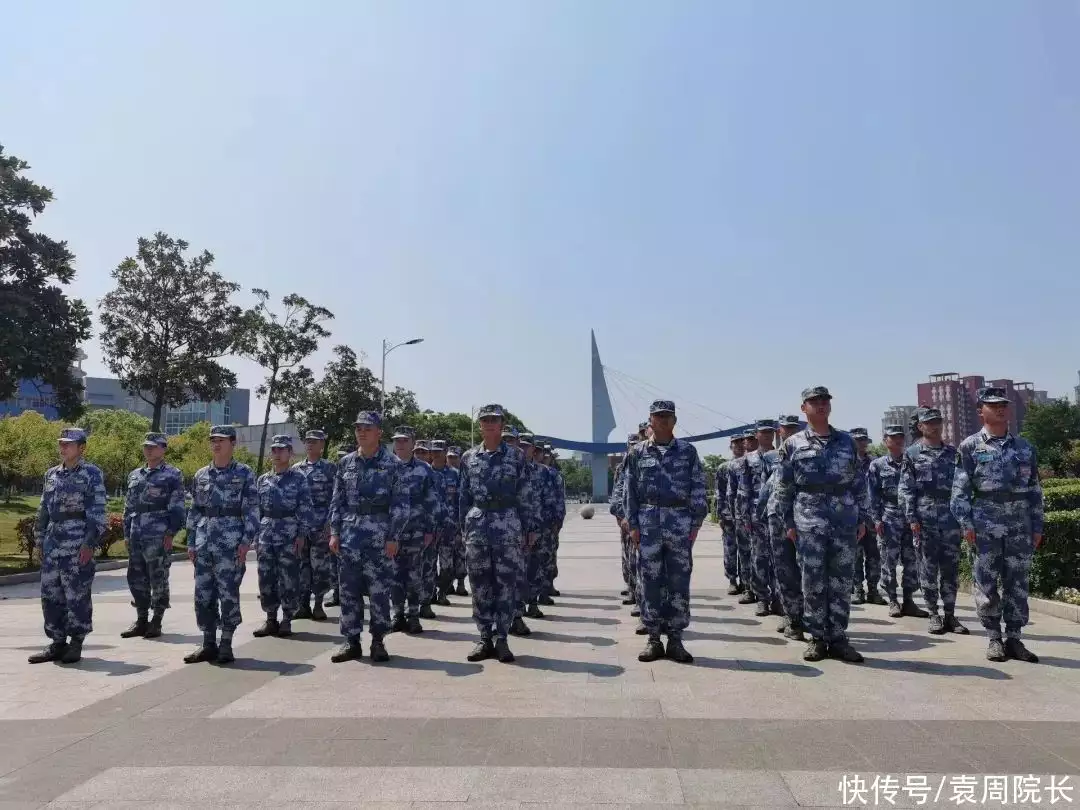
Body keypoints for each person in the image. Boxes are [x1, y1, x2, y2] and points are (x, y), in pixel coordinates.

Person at [775, 387, 869, 664]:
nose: (820, 406)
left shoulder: (846, 442)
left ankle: (838, 638)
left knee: (841, 581)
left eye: (824, 401)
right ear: (804, 408)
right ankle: (817, 638)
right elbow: (784, 486)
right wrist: (788, 521)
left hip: (844, 519)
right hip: (809, 518)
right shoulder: (793, 444)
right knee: (813, 580)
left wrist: (863, 517)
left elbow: (858, 482)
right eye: (814, 402)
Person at [952, 387, 1043, 663]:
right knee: (987, 582)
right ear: (981, 411)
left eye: (1004, 404)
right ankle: (994, 638)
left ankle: (1015, 638)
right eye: (993, 405)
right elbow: (960, 490)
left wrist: (1037, 525)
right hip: (985, 525)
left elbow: (1035, 489)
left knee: (1017, 582)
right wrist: (966, 523)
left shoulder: (1025, 448)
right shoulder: (970, 446)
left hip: (1019, 525)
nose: (1000, 409)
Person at [623, 400, 707, 664]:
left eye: (667, 417)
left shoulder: (687, 452)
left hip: (679, 522)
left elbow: (698, 488)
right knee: (649, 581)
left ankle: (676, 639)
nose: (662, 421)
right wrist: (633, 525)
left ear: (674, 420)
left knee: (678, 581)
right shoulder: (637, 453)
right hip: (648, 523)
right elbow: (630, 491)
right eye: (658, 417)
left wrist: (695, 524)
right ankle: (653, 638)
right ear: (650, 420)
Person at [458, 404, 538, 663]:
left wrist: (530, 528)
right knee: (479, 584)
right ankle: (484, 637)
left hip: (508, 525)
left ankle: (502, 638)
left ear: (502, 424)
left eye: (494, 419)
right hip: (478, 526)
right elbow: (463, 497)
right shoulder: (469, 458)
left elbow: (526, 494)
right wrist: (464, 529)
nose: (489, 424)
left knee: (506, 584)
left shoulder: (516, 457)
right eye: (485, 420)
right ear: (479, 425)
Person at [328, 411, 409, 663]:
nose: (361, 432)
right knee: (348, 590)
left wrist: (394, 536)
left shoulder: (393, 464)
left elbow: (401, 504)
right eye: (358, 427)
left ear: (378, 433)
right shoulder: (346, 463)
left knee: (378, 591)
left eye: (367, 427)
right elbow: (337, 501)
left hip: (379, 537)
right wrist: (334, 532)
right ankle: (351, 641)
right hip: (350, 536)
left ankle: (378, 641)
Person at [28, 428, 107, 665]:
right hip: (54, 543)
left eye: (69, 444)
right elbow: (43, 510)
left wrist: (88, 543)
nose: (63, 448)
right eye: (61, 443)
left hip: (77, 544)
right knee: (50, 595)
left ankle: (76, 643)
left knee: (77, 595)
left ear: (81, 448)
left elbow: (97, 512)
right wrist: (40, 539)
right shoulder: (51, 474)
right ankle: (57, 642)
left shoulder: (92, 474)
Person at [184, 425, 260, 665]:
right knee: (203, 595)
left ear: (233, 443)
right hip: (204, 543)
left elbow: (252, 510)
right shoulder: (201, 475)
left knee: (228, 594)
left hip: (231, 544)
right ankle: (208, 642)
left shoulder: (244, 474)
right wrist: (191, 542)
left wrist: (246, 541)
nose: (216, 444)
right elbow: (195, 510)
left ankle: (226, 642)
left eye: (222, 440)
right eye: (213, 440)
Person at [897, 410, 965, 634]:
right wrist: (911, 517)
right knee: (927, 568)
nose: (935, 426)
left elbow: (962, 488)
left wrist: (964, 518)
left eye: (938, 422)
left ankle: (950, 615)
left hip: (951, 519)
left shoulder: (953, 453)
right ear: (920, 427)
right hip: (925, 518)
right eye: (929, 423)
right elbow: (906, 488)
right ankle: (933, 614)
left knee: (950, 568)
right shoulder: (913, 454)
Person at [120, 432, 185, 639]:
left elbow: (177, 507)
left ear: (163, 449)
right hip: (136, 532)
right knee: (136, 577)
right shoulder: (135, 475)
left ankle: (156, 620)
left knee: (158, 577)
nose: (148, 449)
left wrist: (171, 532)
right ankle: (141, 619)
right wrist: (126, 532)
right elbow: (128, 505)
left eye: (153, 446)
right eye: (146, 446)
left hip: (158, 535)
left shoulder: (172, 474)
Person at [253, 435, 315, 639]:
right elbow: (256, 510)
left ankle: (287, 618)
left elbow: (306, 508)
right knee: (266, 578)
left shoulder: (299, 479)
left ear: (290, 453)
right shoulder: (263, 479)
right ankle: (271, 618)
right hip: (266, 534)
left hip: (289, 533)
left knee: (289, 578)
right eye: (274, 450)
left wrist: (302, 534)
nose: (277, 453)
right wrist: (256, 535)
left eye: (281, 450)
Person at [870, 424, 924, 621]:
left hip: (911, 518)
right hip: (889, 517)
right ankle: (893, 599)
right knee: (888, 560)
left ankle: (909, 600)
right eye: (893, 437)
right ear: (886, 441)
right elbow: (873, 495)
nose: (898, 440)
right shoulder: (877, 465)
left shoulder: (912, 461)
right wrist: (876, 519)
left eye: (901, 437)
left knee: (912, 560)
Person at [390, 426, 439, 635]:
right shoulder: (385, 466)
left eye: (404, 440)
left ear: (412, 443)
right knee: (393, 575)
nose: (400, 444)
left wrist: (430, 529)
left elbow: (432, 501)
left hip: (416, 530)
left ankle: (413, 616)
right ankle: (397, 615)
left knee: (413, 575)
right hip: (391, 533)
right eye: (397, 440)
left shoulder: (424, 469)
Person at [765, 415, 805, 639]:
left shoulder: (808, 449)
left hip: (805, 515)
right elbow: (764, 489)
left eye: (793, 428)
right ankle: (791, 617)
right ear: (779, 431)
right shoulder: (769, 456)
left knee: (808, 570)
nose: (789, 432)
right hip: (777, 516)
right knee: (785, 569)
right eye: (785, 428)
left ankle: (807, 615)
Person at [293, 429, 336, 621]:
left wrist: (330, 524)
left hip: (321, 525)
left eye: (315, 441)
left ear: (322, 446)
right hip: (302, 525)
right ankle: (303, 605)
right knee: (302, 566)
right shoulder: (296, 469)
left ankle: (318, 604)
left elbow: (336, 499)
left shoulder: (330, 469)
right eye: (308, 441)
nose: (310, 444)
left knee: (320, 567)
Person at [740, 419, 780, 618]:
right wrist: (745, 516)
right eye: (763, 432)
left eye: (770, 432)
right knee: (759, 557)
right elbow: (743, 490)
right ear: (756, 435)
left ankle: (778, 599)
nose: (767, 435)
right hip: (758, 515)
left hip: (777, 513)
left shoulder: (780, 455)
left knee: (780, 559)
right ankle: (762, 598)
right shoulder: (749, 460)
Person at [849, 427, 884, 606]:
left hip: (872, 517)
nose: (860, 443)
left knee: (874, 555)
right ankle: (857, 590)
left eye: (863, 440)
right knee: (855, 556)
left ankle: (873, 590)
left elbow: (880, 489)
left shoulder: (874, 463)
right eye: (857, 440)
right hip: (852, 517)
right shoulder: (846, 463)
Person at [727, 429, 758, 605]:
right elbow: (729, 494)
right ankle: (747, 587)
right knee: (745, 554)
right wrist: (731, 516)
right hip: (741, 517)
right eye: (746, 440)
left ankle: (764, 590)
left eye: (752, 439)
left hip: (761, 517)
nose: (747, 443)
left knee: (762, 556)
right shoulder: (733, 466)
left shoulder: (768, 460)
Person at [611, 433, 639, 607]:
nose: (634, 447)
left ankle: (638, 595)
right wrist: (620, 516)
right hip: (625, 520)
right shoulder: (622, 468)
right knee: (628, 555)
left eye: (637, 444)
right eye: (631, 444)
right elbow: (618, 493)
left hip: (641, 521)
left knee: (638, 559)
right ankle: (630, 585)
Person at [428, 439, 458, 606]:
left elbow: (461, 500)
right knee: (429, 564)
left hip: (449, 528)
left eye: (440, 451)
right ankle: (431, 592)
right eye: (434, 451)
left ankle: (442, 592)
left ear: (445, 452)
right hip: (430, 528)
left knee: (447, 565)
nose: (437, 454)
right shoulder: (426, 473)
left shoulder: (455, 474)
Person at [325, 443, 355, 608]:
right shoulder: (333, 473)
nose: (340, 459)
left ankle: (347, 595)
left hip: (352, 525)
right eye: (339, 456)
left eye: (344, 455)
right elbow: (333, 503)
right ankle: (335, 592)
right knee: (334, 562)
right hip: (337, 524)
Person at [717, 435, 746, 595]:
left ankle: (746, 580)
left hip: (745, 514)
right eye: (735, 444)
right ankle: (732, 579)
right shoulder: (724, 467)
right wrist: (721, 514)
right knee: (730, 548)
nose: (739, 446)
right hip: (729, 515)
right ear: (731, 446)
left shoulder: (749, 463)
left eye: (742, 442)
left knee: (746, 549)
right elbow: (720, 493)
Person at [446, 446, 469, 596]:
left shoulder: (463, 475)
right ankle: (447, 584)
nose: (452, 460)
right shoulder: (443, 474)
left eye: (455, 457)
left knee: (461, 554)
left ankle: (460, 583)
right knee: (446, 556)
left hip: (460, 522)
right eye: (450, 457)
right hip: (446, 523)